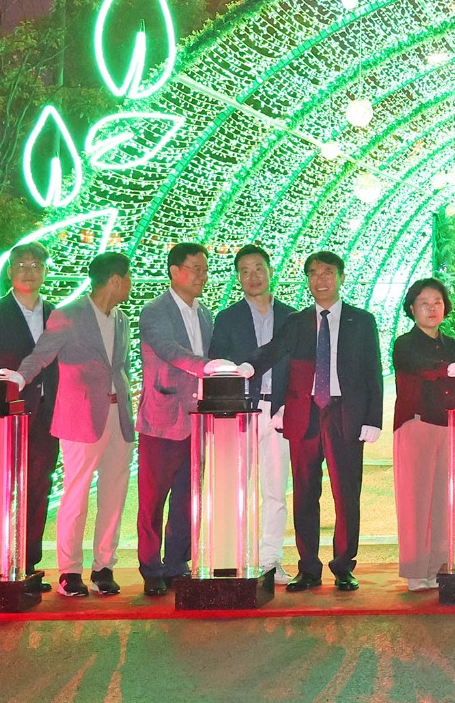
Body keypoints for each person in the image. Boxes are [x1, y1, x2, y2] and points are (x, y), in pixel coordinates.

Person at [254, 251, 383, 591]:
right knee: (304, 493)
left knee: (346, 493)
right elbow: (272, 351)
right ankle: (308, 568)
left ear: (341, 277)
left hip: (344, 413)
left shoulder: (361, 320)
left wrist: (373, 418)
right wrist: (246, 368)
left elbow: (373, 371)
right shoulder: (296, 322)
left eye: (327, 272)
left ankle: (343, 566)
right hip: (305, 414)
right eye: (313, 273)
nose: (320, 280)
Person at [18, 252, 137, 598]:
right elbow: (41, 355)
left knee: (114, 493)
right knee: (77, 494)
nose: (130, 285)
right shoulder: (68, 314)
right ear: (114, 280)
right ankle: (70, 570)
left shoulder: (122, 319)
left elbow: (122, 367)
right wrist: (16, 378)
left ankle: (104, 567)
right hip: (81, 416)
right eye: (128, 278)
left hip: (119, 416)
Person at [209, 244, 302, 585]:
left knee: (276, 490)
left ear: (271, 271)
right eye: (245, 271)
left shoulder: (293, 317)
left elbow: (300, 368)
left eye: (259, 268)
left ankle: (270, 560)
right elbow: (217, 365)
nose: (253, 276)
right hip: (241, 414)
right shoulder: (227, 318)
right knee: (237, 489)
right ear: (238, 278)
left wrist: (291, 404)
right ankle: (234, 559)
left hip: (279, 413)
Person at [0, 243, 59, 593]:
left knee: (39, 488)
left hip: (48, 416)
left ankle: (29, 564)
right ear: (9, 271)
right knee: (3, 490)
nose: (28, 271)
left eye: (36, 265)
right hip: (7, 418)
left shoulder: (57, 315)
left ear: (45, 272)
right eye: (21, 264)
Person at [135, 242, 218, 596]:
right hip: (162, 419)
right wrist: (207, 367)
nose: (202, 276)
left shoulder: (205, 314)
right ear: (175, 271)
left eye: (205, 269)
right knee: (152, 499)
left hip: (197, 420)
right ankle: (151, 566)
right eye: (195, 269)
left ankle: (176, 562)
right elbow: (169, 350)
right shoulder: (155, 311)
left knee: (187, 497)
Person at [392, 278, 455, 590]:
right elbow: (425, 368)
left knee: (444, 501)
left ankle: (438, 567)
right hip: (417, 425)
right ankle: (415, 571)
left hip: (449, 427)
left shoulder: (453, 346)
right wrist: (450, 369)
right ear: (412, 308)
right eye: (424, 303)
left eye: (437, 302)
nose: (432, 308)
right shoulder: (405, 344)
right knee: (416, 501)